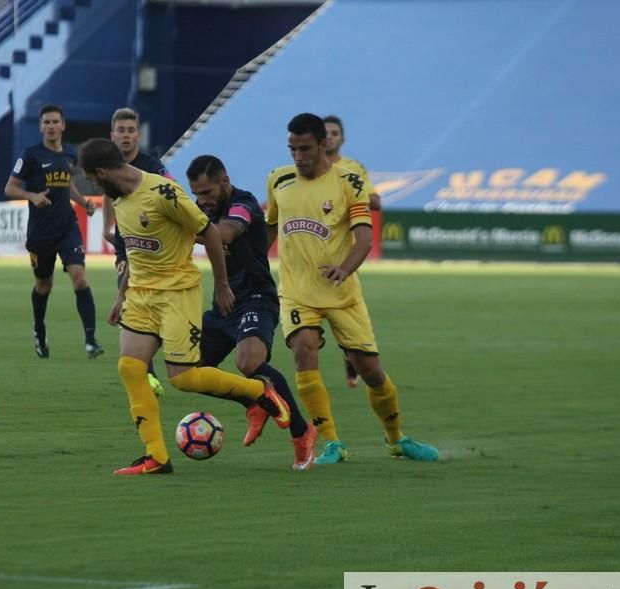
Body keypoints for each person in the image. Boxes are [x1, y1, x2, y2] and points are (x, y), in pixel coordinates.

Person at [79, 138, 292, 475]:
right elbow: (135, 251)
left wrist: (222, 285)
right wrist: (121, 296)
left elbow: (208, 233)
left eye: (92, 178)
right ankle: (156, 457)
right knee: (131, 368)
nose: (93, 185)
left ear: (102, 172)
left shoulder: (164, 193)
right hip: (140, 294)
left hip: (176, 292)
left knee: (183, 377)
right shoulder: (119, 197)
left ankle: (259, 391)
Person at [265, 112, 439, 465]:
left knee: (370, 371)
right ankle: (330, 442)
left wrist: (344, 269)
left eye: (305, 149)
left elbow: (363, 235)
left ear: (323, 145)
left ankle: (396, 439)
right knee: (303, 347)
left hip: (342, 292)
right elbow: (268, 230)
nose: (298, 157)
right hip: (297, 291)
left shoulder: (349, 182)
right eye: (292, 149)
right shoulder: (278, 180)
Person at [186, 154, 316, 470]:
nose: (203, 201)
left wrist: (176, 231)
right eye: (197, 195)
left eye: (208, 193)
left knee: (249, 362)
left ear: (225, 182)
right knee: (187, 367)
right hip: (224, 304)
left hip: (256, 298)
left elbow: (226, 233)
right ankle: (252, 400)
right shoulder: (202, 210)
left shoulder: (243, 204)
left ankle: (302, 433)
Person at [4, 104, 103, 360]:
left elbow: (66, 184)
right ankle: (39, 330)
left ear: (63, 125)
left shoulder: (70, 155)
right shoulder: (31, 155)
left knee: (79, 277)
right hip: (41, 232)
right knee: (44, 285)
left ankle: (91, 341)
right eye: (46, 122)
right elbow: (10, 188)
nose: (50, 126)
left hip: (67, 226)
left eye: (54, 122)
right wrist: (32, 196)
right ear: (40, 127)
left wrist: (84, 203)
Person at [103, 107, 171, 397]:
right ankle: (147, 371)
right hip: (126, 246)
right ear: (112, 134)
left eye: (131, 130)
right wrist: (108, 226)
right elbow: (109, 194)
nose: (126, 136)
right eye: (121, 130)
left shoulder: (153, 167)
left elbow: (174, 192)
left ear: (138, 135)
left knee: (155, 305)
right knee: (129, 299)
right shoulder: (108, 166)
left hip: (156, 248)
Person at [323, 114, 380, 388]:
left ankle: (352, 366)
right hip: (312, 250)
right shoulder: (308, 170)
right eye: (326, 133)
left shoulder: (353, 168)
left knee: (344, 312)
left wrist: (344, 193)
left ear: (342, 138)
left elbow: (376, 201)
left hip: (344, 251)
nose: (330, 137)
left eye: (335, 133)